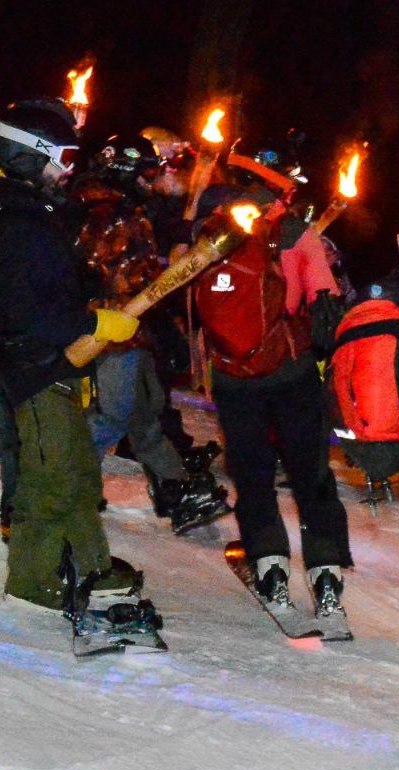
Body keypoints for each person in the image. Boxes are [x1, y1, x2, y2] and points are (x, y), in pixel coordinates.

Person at [193, 144, 352, 622]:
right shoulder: (298, 234)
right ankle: (325, 572)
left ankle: (270, 566)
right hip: (291, 371)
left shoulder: (210, 226)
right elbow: (325, 309)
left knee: (253, 474)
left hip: (232, 375)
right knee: (312, 476)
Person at [0, 98, 140, 610]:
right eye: (63, 157)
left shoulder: (36, 215)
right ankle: (35, 580)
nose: (68, 171)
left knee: (79, 473)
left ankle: (91, 566)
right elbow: (22, 310)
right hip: (31, 371)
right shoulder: (16, 222)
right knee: (50, 479)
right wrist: (92, 323)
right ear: (29, 155)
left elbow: (52, 288)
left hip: (56, 367)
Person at [72, 134, 230, 534]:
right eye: (145, 173)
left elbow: (142, 265)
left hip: (135, 328)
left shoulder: (129, 209)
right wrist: (150, 279)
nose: (152, 180)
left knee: (147, 412)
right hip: (109, 328)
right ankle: (62, 481)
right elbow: (100, 270)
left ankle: (175, 489)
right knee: (112, 415)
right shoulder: (99, 209)